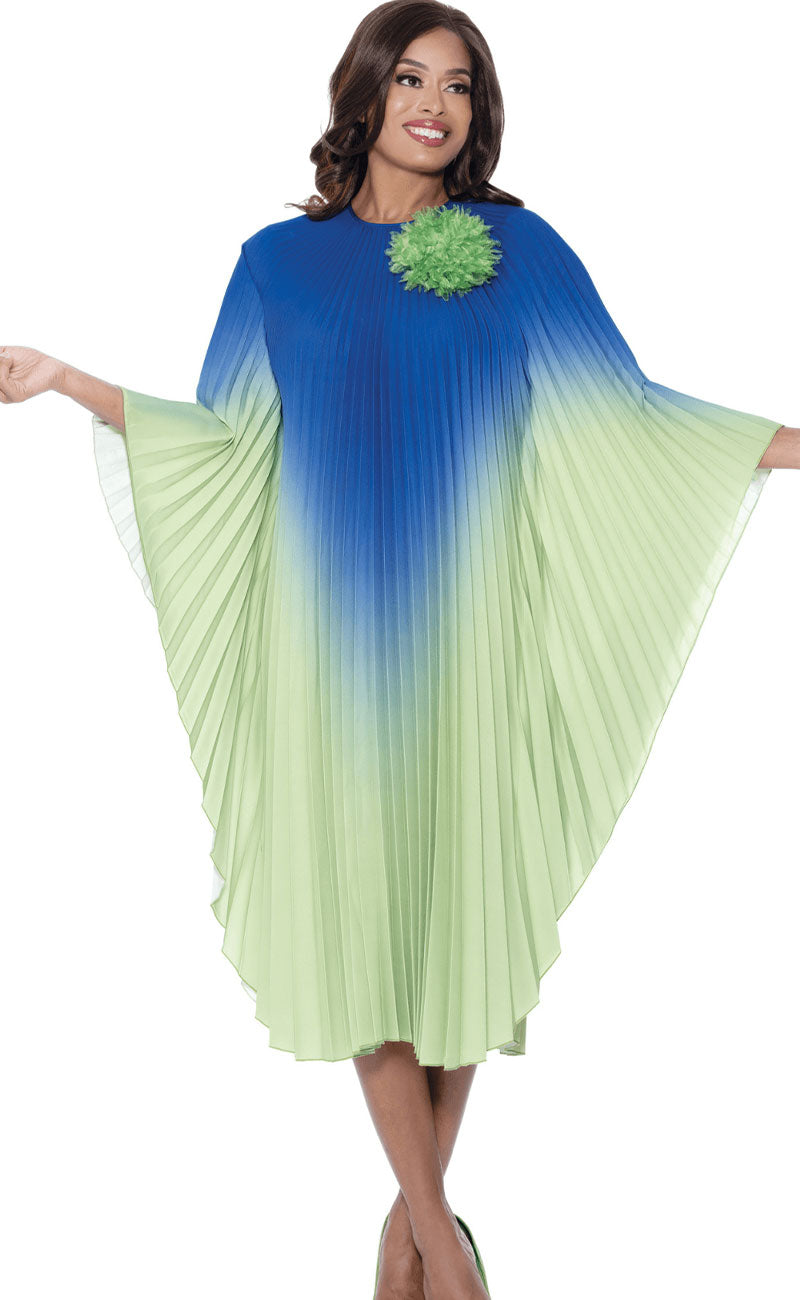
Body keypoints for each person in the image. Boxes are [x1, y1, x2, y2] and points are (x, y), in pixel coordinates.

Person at [1, 3, 795, 1297]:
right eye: (413, 76)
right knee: (365, 913)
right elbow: (223, 438)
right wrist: (66, 378)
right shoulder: (276, 263)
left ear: (480, 113)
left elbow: (624, 417)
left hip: (473, 633)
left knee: (456, 908)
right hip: (327, 640)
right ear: (364, 94)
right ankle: (436, 1236)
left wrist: (792, 447)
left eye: (461, 85)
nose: (436, 102)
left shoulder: (518, 250)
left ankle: (411, 1233)